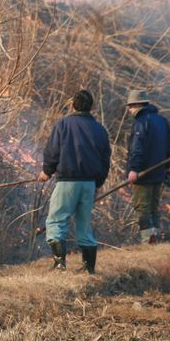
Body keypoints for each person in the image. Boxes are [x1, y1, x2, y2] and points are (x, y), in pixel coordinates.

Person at [38, 89, 111, 273]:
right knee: (84, 224)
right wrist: (98, 183)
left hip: (67, 182)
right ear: (91, 108)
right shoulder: (100, 130)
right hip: (89, 184)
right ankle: (88, 268)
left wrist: (47, 172)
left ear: (73, 105)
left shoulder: (63, 124)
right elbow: (105, 160)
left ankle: (60, 264)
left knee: (56, 220)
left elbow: (52, 152)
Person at [124, 89, 170, 244]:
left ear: (139, 104)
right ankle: (154, 238)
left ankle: (147, 240)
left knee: (142, 208)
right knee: (153, 207)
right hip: (158, 173)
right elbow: (169, 149)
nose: (129, 109)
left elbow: (137, 149)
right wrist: (166, 168)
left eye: (131, 106)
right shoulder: (162, 121)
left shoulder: (141, 123)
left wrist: (133, 169)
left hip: (143, 175)